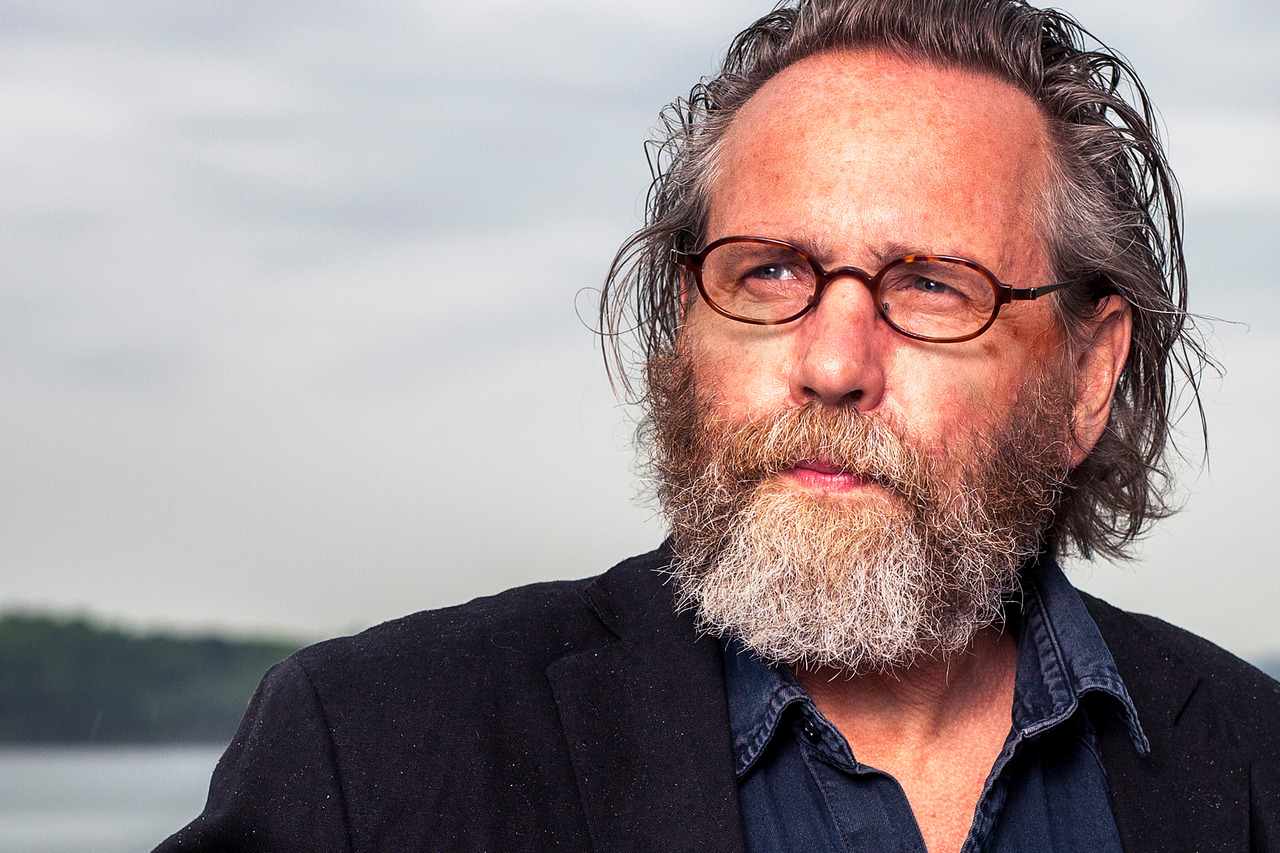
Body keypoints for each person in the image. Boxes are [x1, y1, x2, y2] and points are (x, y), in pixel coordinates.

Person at [156, 1, 1280, 851]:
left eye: (933, 285)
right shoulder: (370, 754)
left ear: (1087, 375)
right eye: (769, 271)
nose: (831, 364)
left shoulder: (1255, 764)